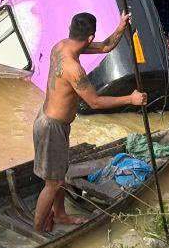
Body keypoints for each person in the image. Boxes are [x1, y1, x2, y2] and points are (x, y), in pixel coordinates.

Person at [33, 12, 147, 232]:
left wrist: (121, 26)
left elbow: (105, 46)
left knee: (59, 175)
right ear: (89, 37)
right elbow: (94, 102)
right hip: (51, 127)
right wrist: (130, 99)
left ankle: (60, 215)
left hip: (50, 121)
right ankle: (38, 231)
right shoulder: (74, 69)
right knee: (53, 183)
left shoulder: (61, 45)